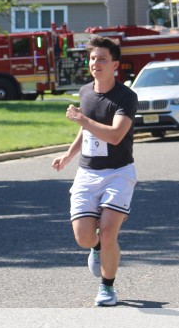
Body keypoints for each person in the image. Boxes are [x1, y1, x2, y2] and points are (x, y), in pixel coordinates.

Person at [52, 35, 138, 307]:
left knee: (109, 231)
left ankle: (107, 287)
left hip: (118, 173)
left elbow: (115, 135)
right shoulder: (85, 92)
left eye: (102, 59)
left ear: (115, 65)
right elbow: (85, 130)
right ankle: (96, 247)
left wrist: (82, 118)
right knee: (84, 237)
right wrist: (68, 155)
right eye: (92, 58)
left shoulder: (126, 97)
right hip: (88, 173)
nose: (95, 63)